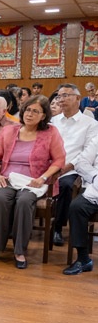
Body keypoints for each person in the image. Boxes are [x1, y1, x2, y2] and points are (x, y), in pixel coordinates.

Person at [0, 95, 65, 269]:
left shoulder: (50, 132)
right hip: (8, 177)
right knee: (0, 199)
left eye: (35, 111)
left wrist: (42, 178)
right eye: (27, 110)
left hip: (34, 180)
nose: (30, 114)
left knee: (24, 201)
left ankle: (19, 251)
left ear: (43, 116)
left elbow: (59, 160)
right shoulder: (9, 131)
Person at [49, 84, 98, 246]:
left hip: (73, 169)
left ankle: (57, 227)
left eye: (65, 95)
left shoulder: (90, 124)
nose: (61, 100)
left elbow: (87, 153)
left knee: (66, 185)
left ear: (78, 98)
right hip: (50, 166)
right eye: (59, 96)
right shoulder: (52, 122)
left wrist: (67, 167)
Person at [64, 136, 98, 275]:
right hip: (96, 188)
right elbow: (81, 162)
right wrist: (95, 177)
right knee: (76, 207)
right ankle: (83, 259)